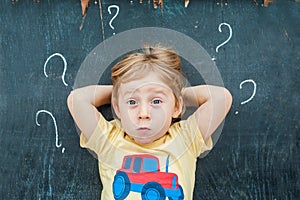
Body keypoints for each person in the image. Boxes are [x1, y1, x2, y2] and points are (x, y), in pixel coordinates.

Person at [67, 44, 232, 200]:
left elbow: (221, 98)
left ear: (176, 106)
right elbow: (77, 100)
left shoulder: (186, 139)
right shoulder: (109, 139)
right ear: (117, 108)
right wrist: (121, 91)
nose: (143, 113)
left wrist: (173, 94)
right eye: (132, 102)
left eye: (156, 102)